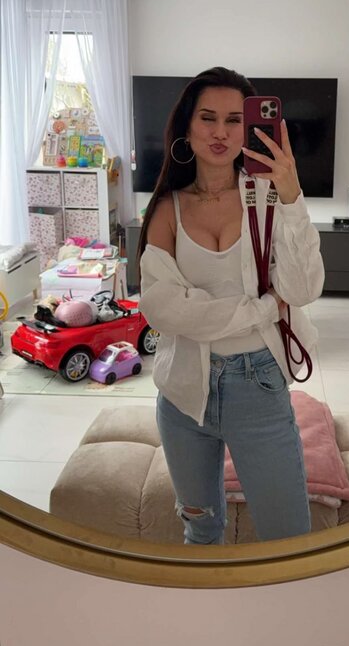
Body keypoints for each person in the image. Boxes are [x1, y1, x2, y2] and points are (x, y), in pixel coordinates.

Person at [138, 66, 325, 545]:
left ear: (250, 128)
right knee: (200, 530)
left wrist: (292, 195)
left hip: (259, 385)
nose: (220, 132)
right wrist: (262, 309)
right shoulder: (167, 209)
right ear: (187, 126)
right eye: (207, 118)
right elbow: (164, 310)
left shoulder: (270, 200)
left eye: (233, 120)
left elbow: (303, 289)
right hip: (183, 395)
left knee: (288, 538)